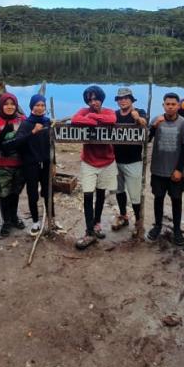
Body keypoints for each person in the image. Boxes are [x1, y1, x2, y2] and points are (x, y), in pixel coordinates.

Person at [71, 85, 117, 250]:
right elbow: (75, 120)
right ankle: (89, 231)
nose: (93, 102)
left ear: (101, 99)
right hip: (89, 161)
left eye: (96, 98)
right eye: (90, 99)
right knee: (88, 195)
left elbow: (112, 120)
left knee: (101, 193)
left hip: (107, 161)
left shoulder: (109, 111)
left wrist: (93, 118)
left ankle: (97, 224)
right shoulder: (84, 111)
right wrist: (91, 117)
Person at [146, 92, 184, 246]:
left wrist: (179, 169)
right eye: (168, 104)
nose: (171, 107)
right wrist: (153, 127)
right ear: (163, 105)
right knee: (158, 198)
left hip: (175, 171)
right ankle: (157, 225)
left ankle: (177, 229)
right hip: (158, 169)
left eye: (174, 104)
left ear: (178, 106)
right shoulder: (156, 120)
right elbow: (146, 140)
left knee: (176, 199)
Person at [7, 94, 52, 235]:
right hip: (30, 164)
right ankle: (35, 222)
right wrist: (32, 132)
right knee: (32, 194)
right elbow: (17, 143)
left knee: (48, 192)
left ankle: (52, 220)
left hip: (46, 163)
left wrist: (54, 164)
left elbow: (52, 145)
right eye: (37, 105)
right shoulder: (26, 124)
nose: (40, 108)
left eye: (42, 105)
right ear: (32, 107)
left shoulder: (48, 122)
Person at [0, 92, 26, 236]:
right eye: (6, 104)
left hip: (19, 164)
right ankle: (6, 221)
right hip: (1, 165)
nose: (10, 107)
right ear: (1, 106)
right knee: (4, 194)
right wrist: (4, 132)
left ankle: (14, 217)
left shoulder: (22, 120)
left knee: (15, 192)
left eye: (12, 104)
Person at [112, 87, 147, 231]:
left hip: (134, 161)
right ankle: (123, 216)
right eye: (120, 98)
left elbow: (144, 123)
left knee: (135, 194)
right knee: (119, 190)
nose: (123, 101)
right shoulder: (114, 115)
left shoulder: (139, 111)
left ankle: (139, 221)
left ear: (131, 100)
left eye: (126, 98)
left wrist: (137, 118)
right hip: (116, 160)